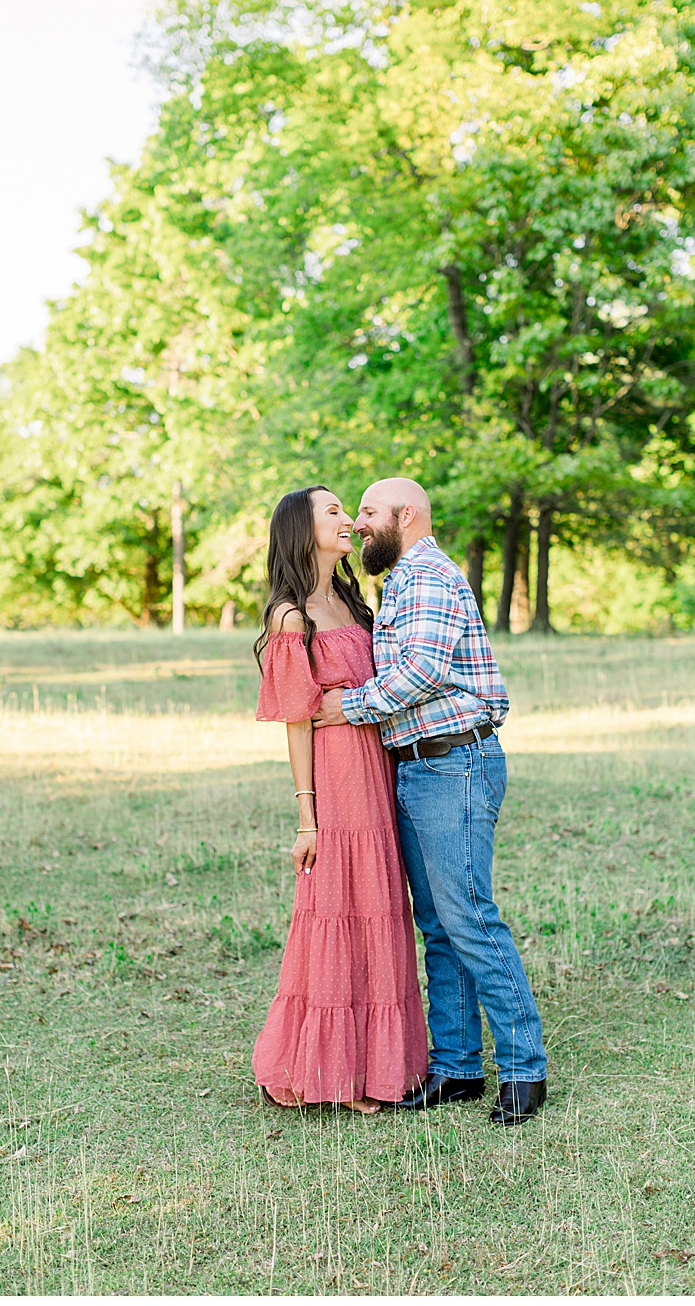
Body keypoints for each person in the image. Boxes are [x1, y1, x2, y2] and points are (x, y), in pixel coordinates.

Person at [314, 478, 548, 1125]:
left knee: (469, 918)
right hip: (417, 770)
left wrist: (346, 709)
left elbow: (418, 671)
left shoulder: (430, 577)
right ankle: (457, 1067)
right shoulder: (400, 582)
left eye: (367, 511)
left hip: (456, 764)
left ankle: (525, 1067)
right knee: (440, 929)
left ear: (404, 515)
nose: (359, 524)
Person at [251, 486, 429, 1113]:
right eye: (333, 512)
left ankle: (377, 1064)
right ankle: (336, 1070)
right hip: (335, 782)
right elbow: (298, 723)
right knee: (338, 910)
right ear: (303, 529)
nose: (349, 520)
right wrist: (308, 818)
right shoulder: (290, 616)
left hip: (378, 773)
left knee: (379, 908)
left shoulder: (354, 601)